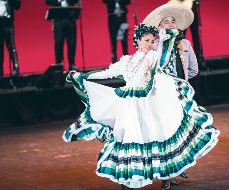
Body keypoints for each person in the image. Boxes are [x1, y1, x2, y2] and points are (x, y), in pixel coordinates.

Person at [62, 16, 219, 189]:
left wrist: (168, 37)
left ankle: (166, 175)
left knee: (156, 137)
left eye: (152, 41)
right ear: (138, 41)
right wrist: (84, 76)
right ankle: (130, 176)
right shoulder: (126, 61)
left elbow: (163, 59)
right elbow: (108, 73)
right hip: (130, 106)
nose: (150, 44)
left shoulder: (153, 57)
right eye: (147, 40)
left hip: (149, 104)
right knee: (130, 138)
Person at [142, 3, 199, 188]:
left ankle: (177, 167)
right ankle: (167, 176)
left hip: (180, 95)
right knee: (165, 133)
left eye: (173, 21)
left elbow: (193, 69)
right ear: (159, 26)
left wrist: (182, 82)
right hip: (161, 95)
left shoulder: (186, 43)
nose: (170, 24)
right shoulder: (156, 44)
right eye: (166, 21)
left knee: (180, 132)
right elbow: (149, 68)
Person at [45, 0, 80, 71]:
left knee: (72, 42)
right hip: (58, 19)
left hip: (70, 17)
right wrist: (59, 1)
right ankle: (59, 64)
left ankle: (72, 63)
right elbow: (48, 1)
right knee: (58, 42)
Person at [168, 0, 204, 67]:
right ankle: (180, 60)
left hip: (190, 5)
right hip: (178, 7)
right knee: (180, 36)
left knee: (196, 34)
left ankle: (199, 59)